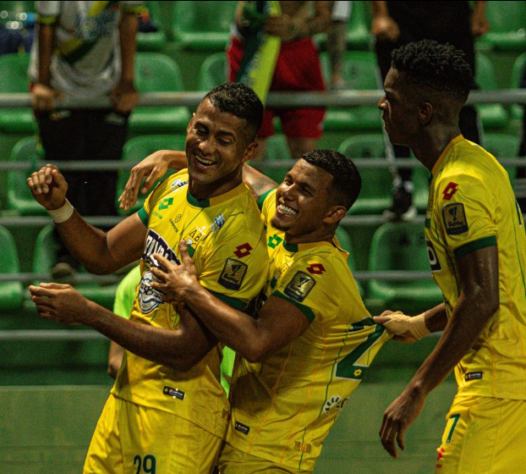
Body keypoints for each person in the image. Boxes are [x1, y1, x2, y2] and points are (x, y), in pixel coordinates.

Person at [27, 82, 270, 474]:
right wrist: (59, 208)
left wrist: (90, 313)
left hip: (180, 412)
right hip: (127, 396)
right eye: (202, 130)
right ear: (190, 123)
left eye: (224, 140)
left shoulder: (239, 234)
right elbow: (104, 254)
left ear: (248, 152)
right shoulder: (172, 186)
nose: (206, 147)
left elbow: (188, 349)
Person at [119, 148, 393, 473]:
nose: (287, 192)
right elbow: (245, 174)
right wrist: (171, 156)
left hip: (273, 452)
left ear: (333, 214)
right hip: (238, 433)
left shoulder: (318, 271)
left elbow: (256, 343)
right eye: (289, 180)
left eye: (304, 190)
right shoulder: (282, 222)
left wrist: (190, 290)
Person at [372, 40, 526, 473]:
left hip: (495, 389)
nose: (382, 105)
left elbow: (481, 298)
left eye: (392, 98)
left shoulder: (458, 186)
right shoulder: (479, 162)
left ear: (423, 113)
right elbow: (488, 286)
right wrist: (419, 324)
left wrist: (416, 389)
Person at [29, 1, 142, 278]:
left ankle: (109, 254)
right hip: (60, 87)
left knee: (103, 174)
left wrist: (127, 81)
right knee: (65, 176)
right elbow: (47, 27)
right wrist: (43, 82)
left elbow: (129, 21)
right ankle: (66, 255)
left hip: (107, 87)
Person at [371, 1, 489, 219]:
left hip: (452, 20)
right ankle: (403, 185)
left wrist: (479, 14)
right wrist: (380, 13)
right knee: (397, 104)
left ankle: (474, 178)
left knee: (460, 101)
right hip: (402, 20)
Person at [108, 265, 237, 395]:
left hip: (228, 402)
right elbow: (115, 361)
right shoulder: (135, 280)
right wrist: (163, 391)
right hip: (167, 403)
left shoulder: (225, 270)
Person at [228, 1, 331, 160]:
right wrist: (250, 17)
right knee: (250, 151)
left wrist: (295, 28)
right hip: (253, 49)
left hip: (297, 53)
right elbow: (242, 13)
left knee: (304, 151)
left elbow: (326, 17)